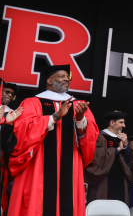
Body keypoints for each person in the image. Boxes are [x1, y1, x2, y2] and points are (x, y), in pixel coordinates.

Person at [8, 64, 99, 216]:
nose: (67, 79)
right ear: (50, 81)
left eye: (68, 77)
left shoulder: (78, 105)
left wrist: (80, 119)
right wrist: (54, 117)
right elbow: (22, 131)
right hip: (39, 162)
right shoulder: (32, 103)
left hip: (70, 162)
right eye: (62, 76)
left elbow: (90, 137)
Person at [84, 111, 133, 206]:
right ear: (112, 123)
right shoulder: (99, 137)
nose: (124, 125)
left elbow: (131, 161)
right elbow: (96, 158)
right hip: (103, 181)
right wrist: (116, 150)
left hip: (121, 181)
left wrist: (126, 147)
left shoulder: (123, 139)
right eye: (121, 122)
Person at [0, 80, 23, 214]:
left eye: (12, 94)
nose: (9, 95)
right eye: (6, 92)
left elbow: (9, 143)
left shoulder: (13, 115)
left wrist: (8, 125)